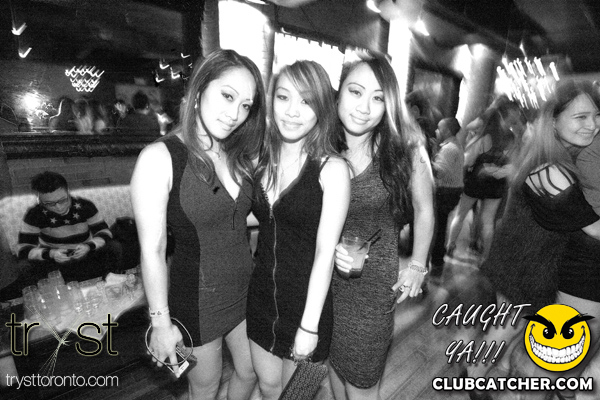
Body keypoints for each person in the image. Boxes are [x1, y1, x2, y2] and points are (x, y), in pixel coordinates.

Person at [130, 49, 265, 400]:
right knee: (204, 388)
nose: (235, 114)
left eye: (246, 105)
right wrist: (161, 322)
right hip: (197, 299)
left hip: (245, 289)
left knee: (250, 371)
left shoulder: (237, 155)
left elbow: (235, 217)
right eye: (227, 96)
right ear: (200, 89)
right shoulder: (159, 157)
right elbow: (153, 249)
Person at [466, 80, 600, 399]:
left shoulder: (553, 156)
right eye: (580, 117)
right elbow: (595, 229)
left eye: (596, 116)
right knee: (506, 330)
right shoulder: (550, 170)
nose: (592, 125)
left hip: (524, 262)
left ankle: (483, 374)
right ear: (553, 121)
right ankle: (473, 379)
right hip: (526, 268)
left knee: (509, 329)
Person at [329, 55, 435, 400]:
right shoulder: (321, 143)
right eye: (355, 92)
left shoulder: (404, 148)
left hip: (371, 288)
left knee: (362, 381)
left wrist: (417, 264)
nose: (364, 107)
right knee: (332, 365)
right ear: (339, 93)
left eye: (377, 98)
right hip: (321, 280)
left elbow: (424, 209)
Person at [246, 60, 350, 399]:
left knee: (298, 396)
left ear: (321, 109)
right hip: (262, 299)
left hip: (310, 308)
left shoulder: (333, 169)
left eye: (306, 101)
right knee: (268, 387)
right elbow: (266, 219)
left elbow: (325, 253)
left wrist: (309, 326)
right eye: (283, 97)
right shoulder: (261, 160)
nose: (292, 111)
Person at [0, 171, 120, 301]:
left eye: (63, 200)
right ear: (39, 199)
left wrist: (89, 246)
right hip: (55, 260)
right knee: (24, 266)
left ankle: (112, 286)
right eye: (49, 203)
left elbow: (104, 232)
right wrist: (51, 254)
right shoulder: (35, 214)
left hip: (85, 253)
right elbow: (23, 249)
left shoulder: (84, 206)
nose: (58, 207)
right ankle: (49, 299)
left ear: (68, 191)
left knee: (114, 246)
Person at [446, 99, 525, 262]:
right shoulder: (511, 138)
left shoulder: (486, 133)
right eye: (516, 112)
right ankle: (485, 258)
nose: (518, 115)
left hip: (476, 180)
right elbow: (513, 164)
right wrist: (498, 170)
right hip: (496, 184)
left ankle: (450, 246)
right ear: (509, 114)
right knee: (488, 222)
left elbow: (469, 159)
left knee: (460, 215)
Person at [430, 117, 464, 276]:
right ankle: (438, 257)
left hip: (446, 192)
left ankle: (437, 259)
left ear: (447, 131)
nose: (436, 131)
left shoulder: (449, 149)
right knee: (441, 225)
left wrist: (424, 161)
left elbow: (439, 171)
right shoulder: (453, 145)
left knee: (438, 227)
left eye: (439, 128)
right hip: (451, 192)